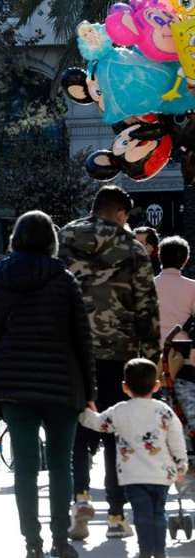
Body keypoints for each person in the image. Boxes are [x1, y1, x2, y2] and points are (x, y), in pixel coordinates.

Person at [0, 210, 96, 558]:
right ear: (51, 241)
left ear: (14, 238)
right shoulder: (64, 279)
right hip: (62, 382)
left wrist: (8, 342)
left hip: (13, 383)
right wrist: (90, 391)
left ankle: (33, 544)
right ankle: (61, 541)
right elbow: (82, 338)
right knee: (61, 465)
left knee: (25, 469)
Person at [59, 185, 160, 540]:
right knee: (118, 434)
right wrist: (151, 363)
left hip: (71, 353)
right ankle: (117, 515)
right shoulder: (133, 248)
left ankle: (80, 499)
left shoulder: (65, 237)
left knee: (77, 431)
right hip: (121, 354)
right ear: (121, 213)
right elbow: (147, 308)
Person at [79, 359, 188, 558]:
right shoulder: (165, 411)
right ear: (156, 386)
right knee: (158, 512)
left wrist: (83, 409)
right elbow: (176, 439)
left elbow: (98, 423)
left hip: (133, 476)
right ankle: (160, 550)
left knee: (142, 514)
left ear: (125, 387)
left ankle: (145, 550)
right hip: (162, 474)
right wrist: (181, 465)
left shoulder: (120, 410)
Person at [154, 235, 195, 435]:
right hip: (185, 353)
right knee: (186, 405)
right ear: (185, 259)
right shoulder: (193, 287)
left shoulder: (149, 285)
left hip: (154, 353)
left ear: (159, 257)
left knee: (158, 404)